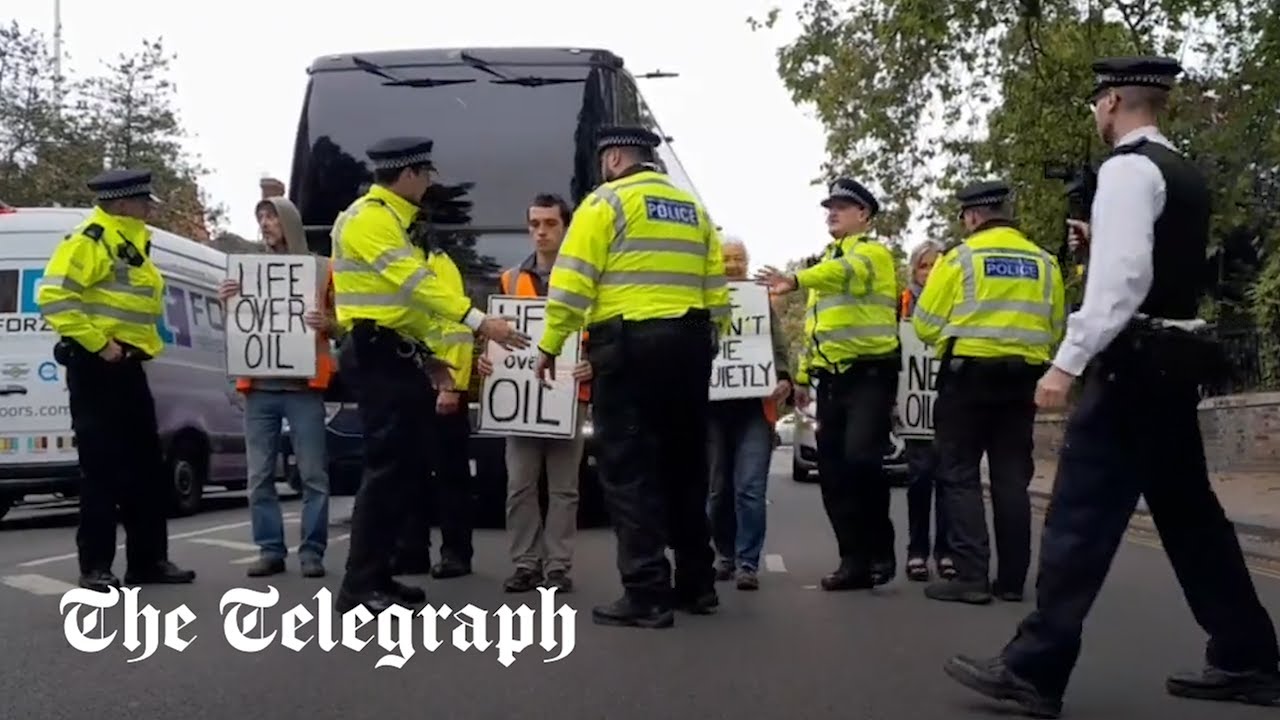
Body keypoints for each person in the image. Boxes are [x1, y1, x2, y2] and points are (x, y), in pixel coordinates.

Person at [944, 56, 1280, 717]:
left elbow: (1122, 282)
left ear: (1114, 101)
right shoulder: (1180, 171)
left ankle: (1034, 668)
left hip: (1131, 365)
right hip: (1173, 362)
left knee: (1077, 516)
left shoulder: (1126, 170)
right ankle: (1249, 655)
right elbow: (1155, 263)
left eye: (1098, 103)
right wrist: (1099, 241)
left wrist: (1067, 362)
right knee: (1190, 520)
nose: (1096, 114)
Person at [534, 125, 732, 629]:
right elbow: (717, 291)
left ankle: (646, 593)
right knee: (686, 467)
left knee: (628, 471)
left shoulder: (606, 205)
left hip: (627, 349)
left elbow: (572, 281)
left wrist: (551, 343)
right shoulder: (694, 211)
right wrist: (708, 341)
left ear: (617, 158)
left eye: (606, 160)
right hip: (689, 345)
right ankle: (697, 584)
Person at [330, 136, 529, 613]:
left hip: (394, 353)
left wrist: (427, 358)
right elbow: (415, 286)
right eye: (427, 174)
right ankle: (359, 585)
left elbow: (403, 307)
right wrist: (483, 322)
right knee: (385, 470)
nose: (429, 183)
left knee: (403, 470)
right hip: (376, 353)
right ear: (409, 175)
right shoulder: (370, 220)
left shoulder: (394, 221)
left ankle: (379, 574)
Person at [36, 168, 196, 592]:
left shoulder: (132, 241)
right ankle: (95, 567)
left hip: (128, 368)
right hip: (97, 369)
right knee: (103, 470)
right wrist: (99, 344)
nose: (149, 209)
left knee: (146, 467)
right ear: (123, 203)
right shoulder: (89, 240)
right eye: (144, 202)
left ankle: (148, 561)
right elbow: (53, 297)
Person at [913, 181, 1065, 606]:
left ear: (974, 216)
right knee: (1011, 478)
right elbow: (1055, 330)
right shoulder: (1044, 261)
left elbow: (924, 324)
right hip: (1023, 380)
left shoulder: (960, 259)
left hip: (968, 379)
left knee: (959, 473)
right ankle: (1013, 581)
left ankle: (971, 576)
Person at [755, 178, 901, 591]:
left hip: (870, 374)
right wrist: (801, 377)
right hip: (831, 379)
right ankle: (852, 560)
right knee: (833, 472)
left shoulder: (870, 254)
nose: (832, 213)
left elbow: (843, 273)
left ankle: (880, 551)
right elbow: (818, 328)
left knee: (861, 459)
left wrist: (797, 280)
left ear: (864, 216)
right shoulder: (827, 262)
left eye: (842, 206)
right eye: (829, 207)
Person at [477, 193, 592, 594]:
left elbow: (599, 334)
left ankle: (558, 566)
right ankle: (526, 563)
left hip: (566, 394)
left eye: (550, 224)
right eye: (535, 224)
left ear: (565, 227)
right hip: (520, 401)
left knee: (564, 489)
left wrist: (591, 363)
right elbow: (496, 333)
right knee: (519, 486)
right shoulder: (509, 279)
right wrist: (486, 361)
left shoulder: (583, 280)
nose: (541, 232)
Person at [218, 195, 337, 578]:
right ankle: (270, 550)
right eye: (261, 217)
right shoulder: (246, 272)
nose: (265, 223)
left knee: (313, 474)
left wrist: (328, 324)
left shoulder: (321, 270)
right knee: (259, 475)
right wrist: (227, 305)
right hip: (259, 388)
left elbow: (345, 320)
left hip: (305, 387)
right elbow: (241, 325)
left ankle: (312, 552)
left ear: (289, 222)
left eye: (271, 216)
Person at [707, 236, 791, 591]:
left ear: (747, 262)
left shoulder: (759, 300)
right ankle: (724, 554)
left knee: (750, 488)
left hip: (755, 410)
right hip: (712, 410)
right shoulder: (704, 299)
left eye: (738, 258)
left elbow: (779, 346)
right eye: (725, 258)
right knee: (718, 490)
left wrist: (785, 378)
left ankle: (747, 563)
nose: (732, 264)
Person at [392, 234, 477, 580]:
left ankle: (456, 553)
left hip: (440, 383)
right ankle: (412, 552)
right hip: (404, 382)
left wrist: (452, 386)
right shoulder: (393, 259)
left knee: (450, 475)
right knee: (408, 474)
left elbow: (457, 327)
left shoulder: (439, 264)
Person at [899, 239, 954, 583]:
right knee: (919, 479)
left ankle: (947, 552)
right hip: (915, 406)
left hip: (949, 403)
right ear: (914, 271)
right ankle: (917, 551)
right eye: (924, 266)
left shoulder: (960, 301)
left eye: (937, 265)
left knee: (950, 480)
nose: (930, 272)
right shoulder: (902, 302)